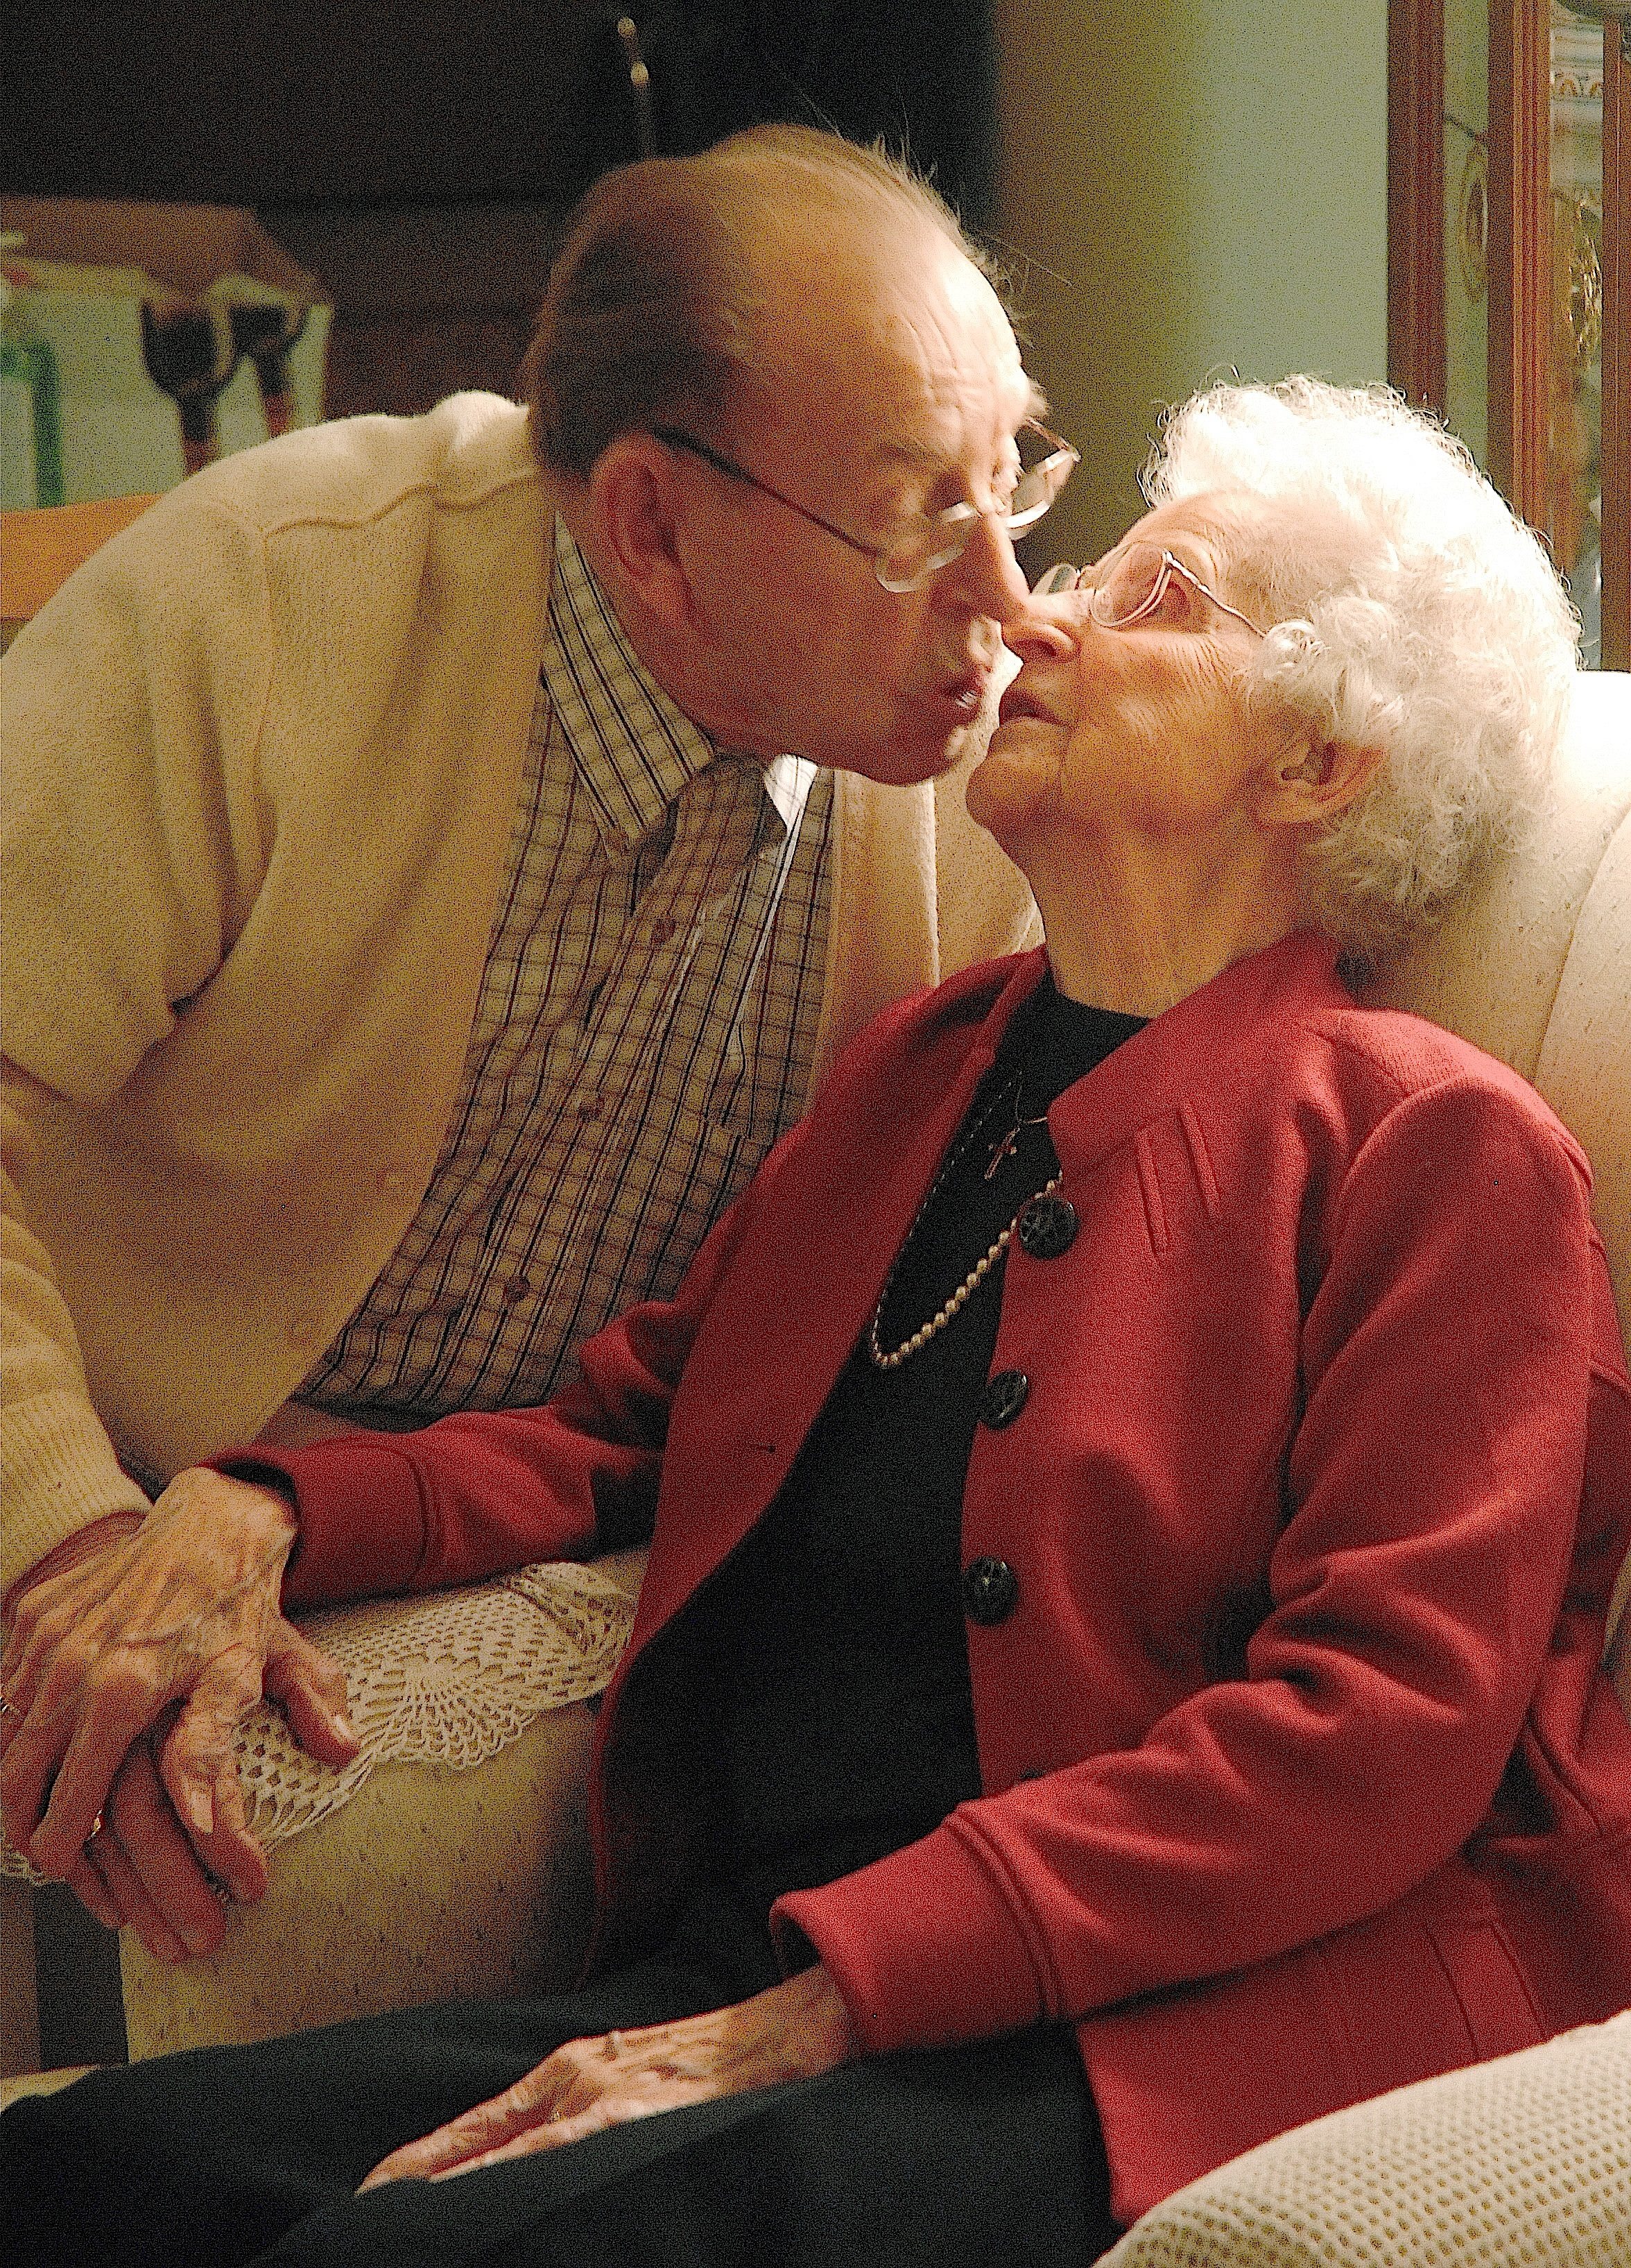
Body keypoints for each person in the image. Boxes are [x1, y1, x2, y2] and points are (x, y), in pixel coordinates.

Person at [6, 375, 1629, 2267]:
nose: (1035, 614)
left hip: (1121, 2046)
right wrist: (258, 1508)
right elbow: (635, 1427)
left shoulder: (1434, 1150)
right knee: (74, 2186)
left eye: (1153, 599)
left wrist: (832, 2001)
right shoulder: (922, 1072)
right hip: (754, 1970)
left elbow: (1377, 1733)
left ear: (1320, 763)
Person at [0, 126, 1058, 1959]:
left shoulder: (983, 794)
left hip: (486, 1516)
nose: (1008, 599)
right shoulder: (282, 598)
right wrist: (66, 1537)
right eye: (911, 516)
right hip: (93, 1425)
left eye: (1014, 477)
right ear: (653, 528)